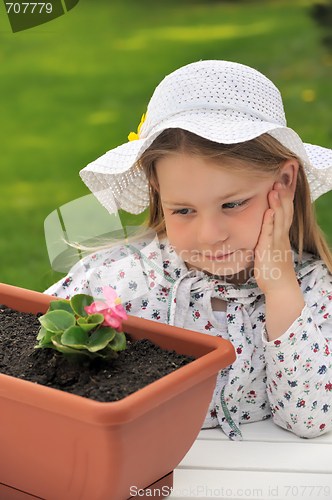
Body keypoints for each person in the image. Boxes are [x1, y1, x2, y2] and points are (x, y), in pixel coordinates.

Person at [45, 60, 332, 441]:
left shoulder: (312, 291)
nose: (210, 235)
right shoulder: (114, 279)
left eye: (233, 204)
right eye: (183, 211)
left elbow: (310, 419)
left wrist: (280, 291)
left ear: (285, 180)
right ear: (158, 191)